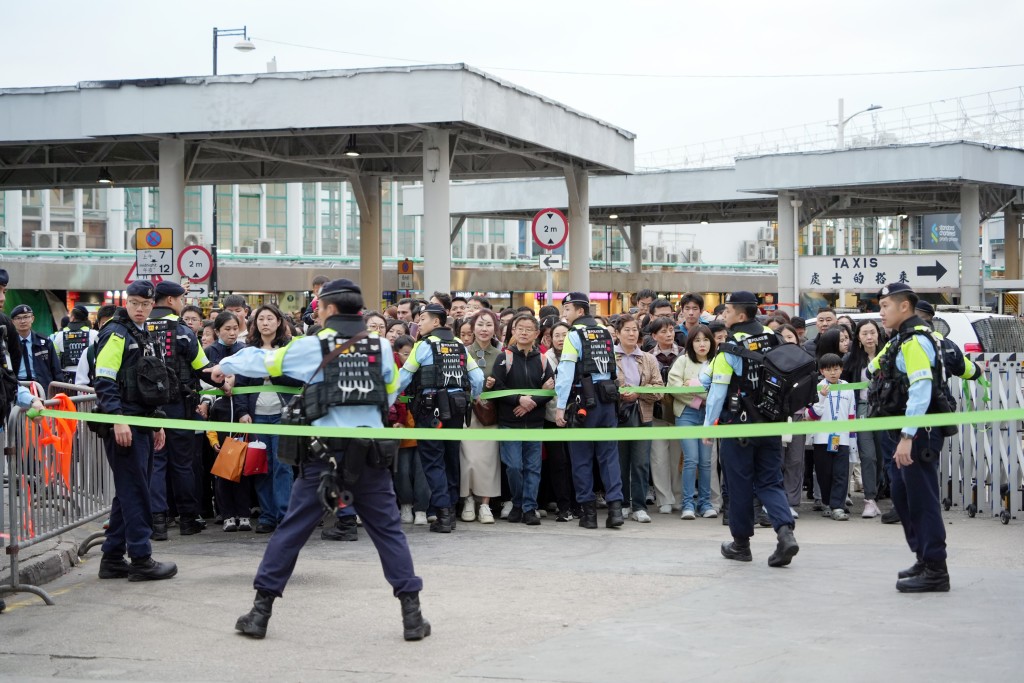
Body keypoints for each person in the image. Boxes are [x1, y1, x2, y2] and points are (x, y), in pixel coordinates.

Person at [213, 277, 431, 640]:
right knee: (389, 532)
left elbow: (263, 360)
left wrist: (227, 366)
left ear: (329, 309)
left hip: (322, 457)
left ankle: (260, 613)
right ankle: (412, 616)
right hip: (371, 455)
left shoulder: (313, 346)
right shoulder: (380, 346)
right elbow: (389, 396)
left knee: (292, 530)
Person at [702, 291, 799, 567]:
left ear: (741, 315)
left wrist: (709, 427)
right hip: (771, 421)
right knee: (770, 481)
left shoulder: (730, 347)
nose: (724, 315)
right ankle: (785, 532)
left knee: (740, 483)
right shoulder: (774, 337)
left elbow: (717, 389)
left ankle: (741, 545)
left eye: (728, 311)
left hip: (738, 427)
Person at [868, 282, 951, 593]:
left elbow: (921, 389)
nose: (881, 311)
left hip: (919, 433)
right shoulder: (900, 339)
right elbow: (871, 369)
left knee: (922, 500)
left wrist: (907, 436)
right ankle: (923, 557)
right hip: (908, 431)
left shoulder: (916, 340)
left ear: (904, 306)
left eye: (886, 305)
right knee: (903, 496)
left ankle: (936, 568)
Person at [93, 280, 176, 581]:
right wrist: (118, 419)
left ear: (153, 305)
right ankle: (141, 559)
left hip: (141, 422)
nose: (140, 309)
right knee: (136, 491)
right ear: (126, 302)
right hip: (124, 423)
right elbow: (104, 381)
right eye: (135, 303)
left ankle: (113, 557)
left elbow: (150, 382)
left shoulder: (142, 333)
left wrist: (157, 422)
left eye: (146, 304)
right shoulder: (116, 333)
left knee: (129, 491)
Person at [398, 303, 484, 533]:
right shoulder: (459, 346)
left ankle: (443, 513)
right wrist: (472, 398)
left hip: (430, 411)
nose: (419, 323)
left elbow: (403, 378)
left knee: (433, 459)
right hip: (457, 409)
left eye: (423, 319)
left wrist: (385, 402)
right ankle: (451, 512)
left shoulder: (423, 346)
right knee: (451, 458)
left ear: (436, 322)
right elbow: (478, 379)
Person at [148, 281, 218, 540]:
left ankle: (157, 521)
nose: (182, 303)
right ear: (170, 300)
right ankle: (188, 519)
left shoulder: (139, 328)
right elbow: (203, 368)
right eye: (181, 299)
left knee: (155, 463)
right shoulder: (183, 332)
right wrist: (226, 382)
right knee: (183, 464)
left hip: (146, 409)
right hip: (178, 406)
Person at [554, 292, 624, 530]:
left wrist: (560, 407)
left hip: (583, 402)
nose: (564, 314)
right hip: (608, 400)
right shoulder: (605, 332)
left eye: (567, 309)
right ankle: (615, 511)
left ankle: (589, 514)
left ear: (580, 312)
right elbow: (614, 368)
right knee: (609, 457)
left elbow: (565, 373)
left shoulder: (574, 335)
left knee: (582, 458)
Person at [490, 313, 554, 525]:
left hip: (535, 423)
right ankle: (517, 503)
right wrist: (518, 399)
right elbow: (496, 387)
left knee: (533, 468)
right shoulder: (504, 358)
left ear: (537, 334)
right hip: (509, 423)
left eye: (529, 329)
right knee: (514, 466)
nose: (524, 332)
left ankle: (529, 508)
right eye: (520, 329)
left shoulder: (544, 360)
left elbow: (550, 389)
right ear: (514, 332)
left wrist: (531, 402)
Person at [244, 304, 303, 534]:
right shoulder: (248, 349)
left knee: (283, 467)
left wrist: (272, 372)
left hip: (284, 415)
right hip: (257, 415)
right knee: (262, 466)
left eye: (270, 318)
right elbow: (242, 384)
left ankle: (284, 514)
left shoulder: (290, 348)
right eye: (261, 319)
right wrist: (242, 412)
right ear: (255, 323)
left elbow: (297, 379)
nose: (265, 323)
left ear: (279, 322)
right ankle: (267, 515)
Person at [204, 311, 252, 532]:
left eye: (235, 328)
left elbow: (245, 382)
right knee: (222, 468)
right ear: (217, 331)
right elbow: (205, 381)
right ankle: (226, 514)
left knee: (241, 466)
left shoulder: (243, 351)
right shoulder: (209, 352)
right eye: (227, 329)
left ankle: (244, 513)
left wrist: (243, 410)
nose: (232, 333)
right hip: (219, 415)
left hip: (240, 414)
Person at [613, 315, 663, 523]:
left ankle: (640, 505)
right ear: (617, 333)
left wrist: (639, 393)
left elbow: (659, 389)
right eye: (627, 330)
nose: (632, 333)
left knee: (641, 462)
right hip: (618, 414)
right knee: (620, 461)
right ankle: (623, 502)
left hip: (643, 413)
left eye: (635, 330)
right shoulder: (609, 357)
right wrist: (620, 394)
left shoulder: (648, 358)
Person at [669, 324, 717, 519]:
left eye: (705, 340)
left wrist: (694, 385)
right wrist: (701, 396)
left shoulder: (716, 362)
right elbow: (674, 387)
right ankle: (688, 504)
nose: (702, 344)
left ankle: (705, 504)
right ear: (690, 343)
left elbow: (719, 389)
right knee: (691, 460)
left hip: (709, 416)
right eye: (697, 340)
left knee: (706, 462)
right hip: (686, 414)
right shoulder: (682, 360)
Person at [460, 308, 502, 523]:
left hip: (490, 414)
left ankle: (485, 504)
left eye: (488, 324)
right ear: (472, 328)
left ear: (495, 328)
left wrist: (496, 385)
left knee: (488, 460)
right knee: (468, 460)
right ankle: (467, 499)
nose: (484, 329)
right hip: (468, 414)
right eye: (480, 324)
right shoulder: (462, 351)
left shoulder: (502, 354)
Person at [844, 320, 887, 519]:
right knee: (868, 455)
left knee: (881, 455)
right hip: (862, 409)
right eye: (864, 333)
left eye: (872, 332)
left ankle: (876, 492)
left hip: (885, 410)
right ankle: (869, 499)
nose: (869, 337)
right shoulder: (851, 361)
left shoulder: (888, 356)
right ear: (858, 338)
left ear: (878, 334)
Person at [806, 353, 857, 521]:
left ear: (842, 369)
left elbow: (852, 415)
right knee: (824, 473)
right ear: (822, 371)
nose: (833, 373)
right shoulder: (817, 387)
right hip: (821, 439)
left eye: (836, 369)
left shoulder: (847, 388)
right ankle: (827, 502)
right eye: (828, 370)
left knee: (841, 473)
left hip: (841, 439)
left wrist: (852, 441)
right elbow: (811, 414)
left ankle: (837, 506)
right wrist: (821, 398)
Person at [542, 321, 577, 521]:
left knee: (575, 462)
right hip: (551, 417)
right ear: (550, 338)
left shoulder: (578, 357)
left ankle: (576, 504)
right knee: (558, 464)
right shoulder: (545, 359)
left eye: (565, 335)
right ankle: (564, 506)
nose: (561, 339)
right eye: (557, 335)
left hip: (575, 418)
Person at [10, 304, 62, 393]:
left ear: (32, 319)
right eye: (18, 318)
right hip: (17, 386)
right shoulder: (9, 344)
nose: (23, 321)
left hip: (41, 387)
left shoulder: (45, 342)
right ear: (13, 322)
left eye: (26, 317)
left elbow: (55, 369)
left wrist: (59, 391)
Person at [52, 305, 97, 383]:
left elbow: (54, 358)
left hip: (67, 379)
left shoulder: (59, 335)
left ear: (72, 318)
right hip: (88, 378)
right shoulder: (94, 334)